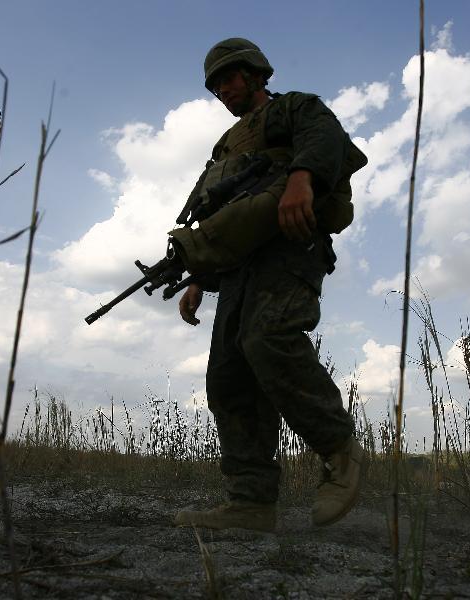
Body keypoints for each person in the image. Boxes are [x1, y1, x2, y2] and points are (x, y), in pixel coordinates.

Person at [171, 38, 368, 533]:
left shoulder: (295, 109)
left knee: (269, 339)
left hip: (289, 247)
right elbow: (218, 210)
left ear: (257, 73)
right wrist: (199, 275)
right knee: (229, 377)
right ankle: (251, 501)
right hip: (239, 267)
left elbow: (324, 136)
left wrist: (302, 178)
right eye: (215, 84)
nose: (223, 89)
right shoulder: (226, 146)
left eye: (230, 77)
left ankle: (339, 452)